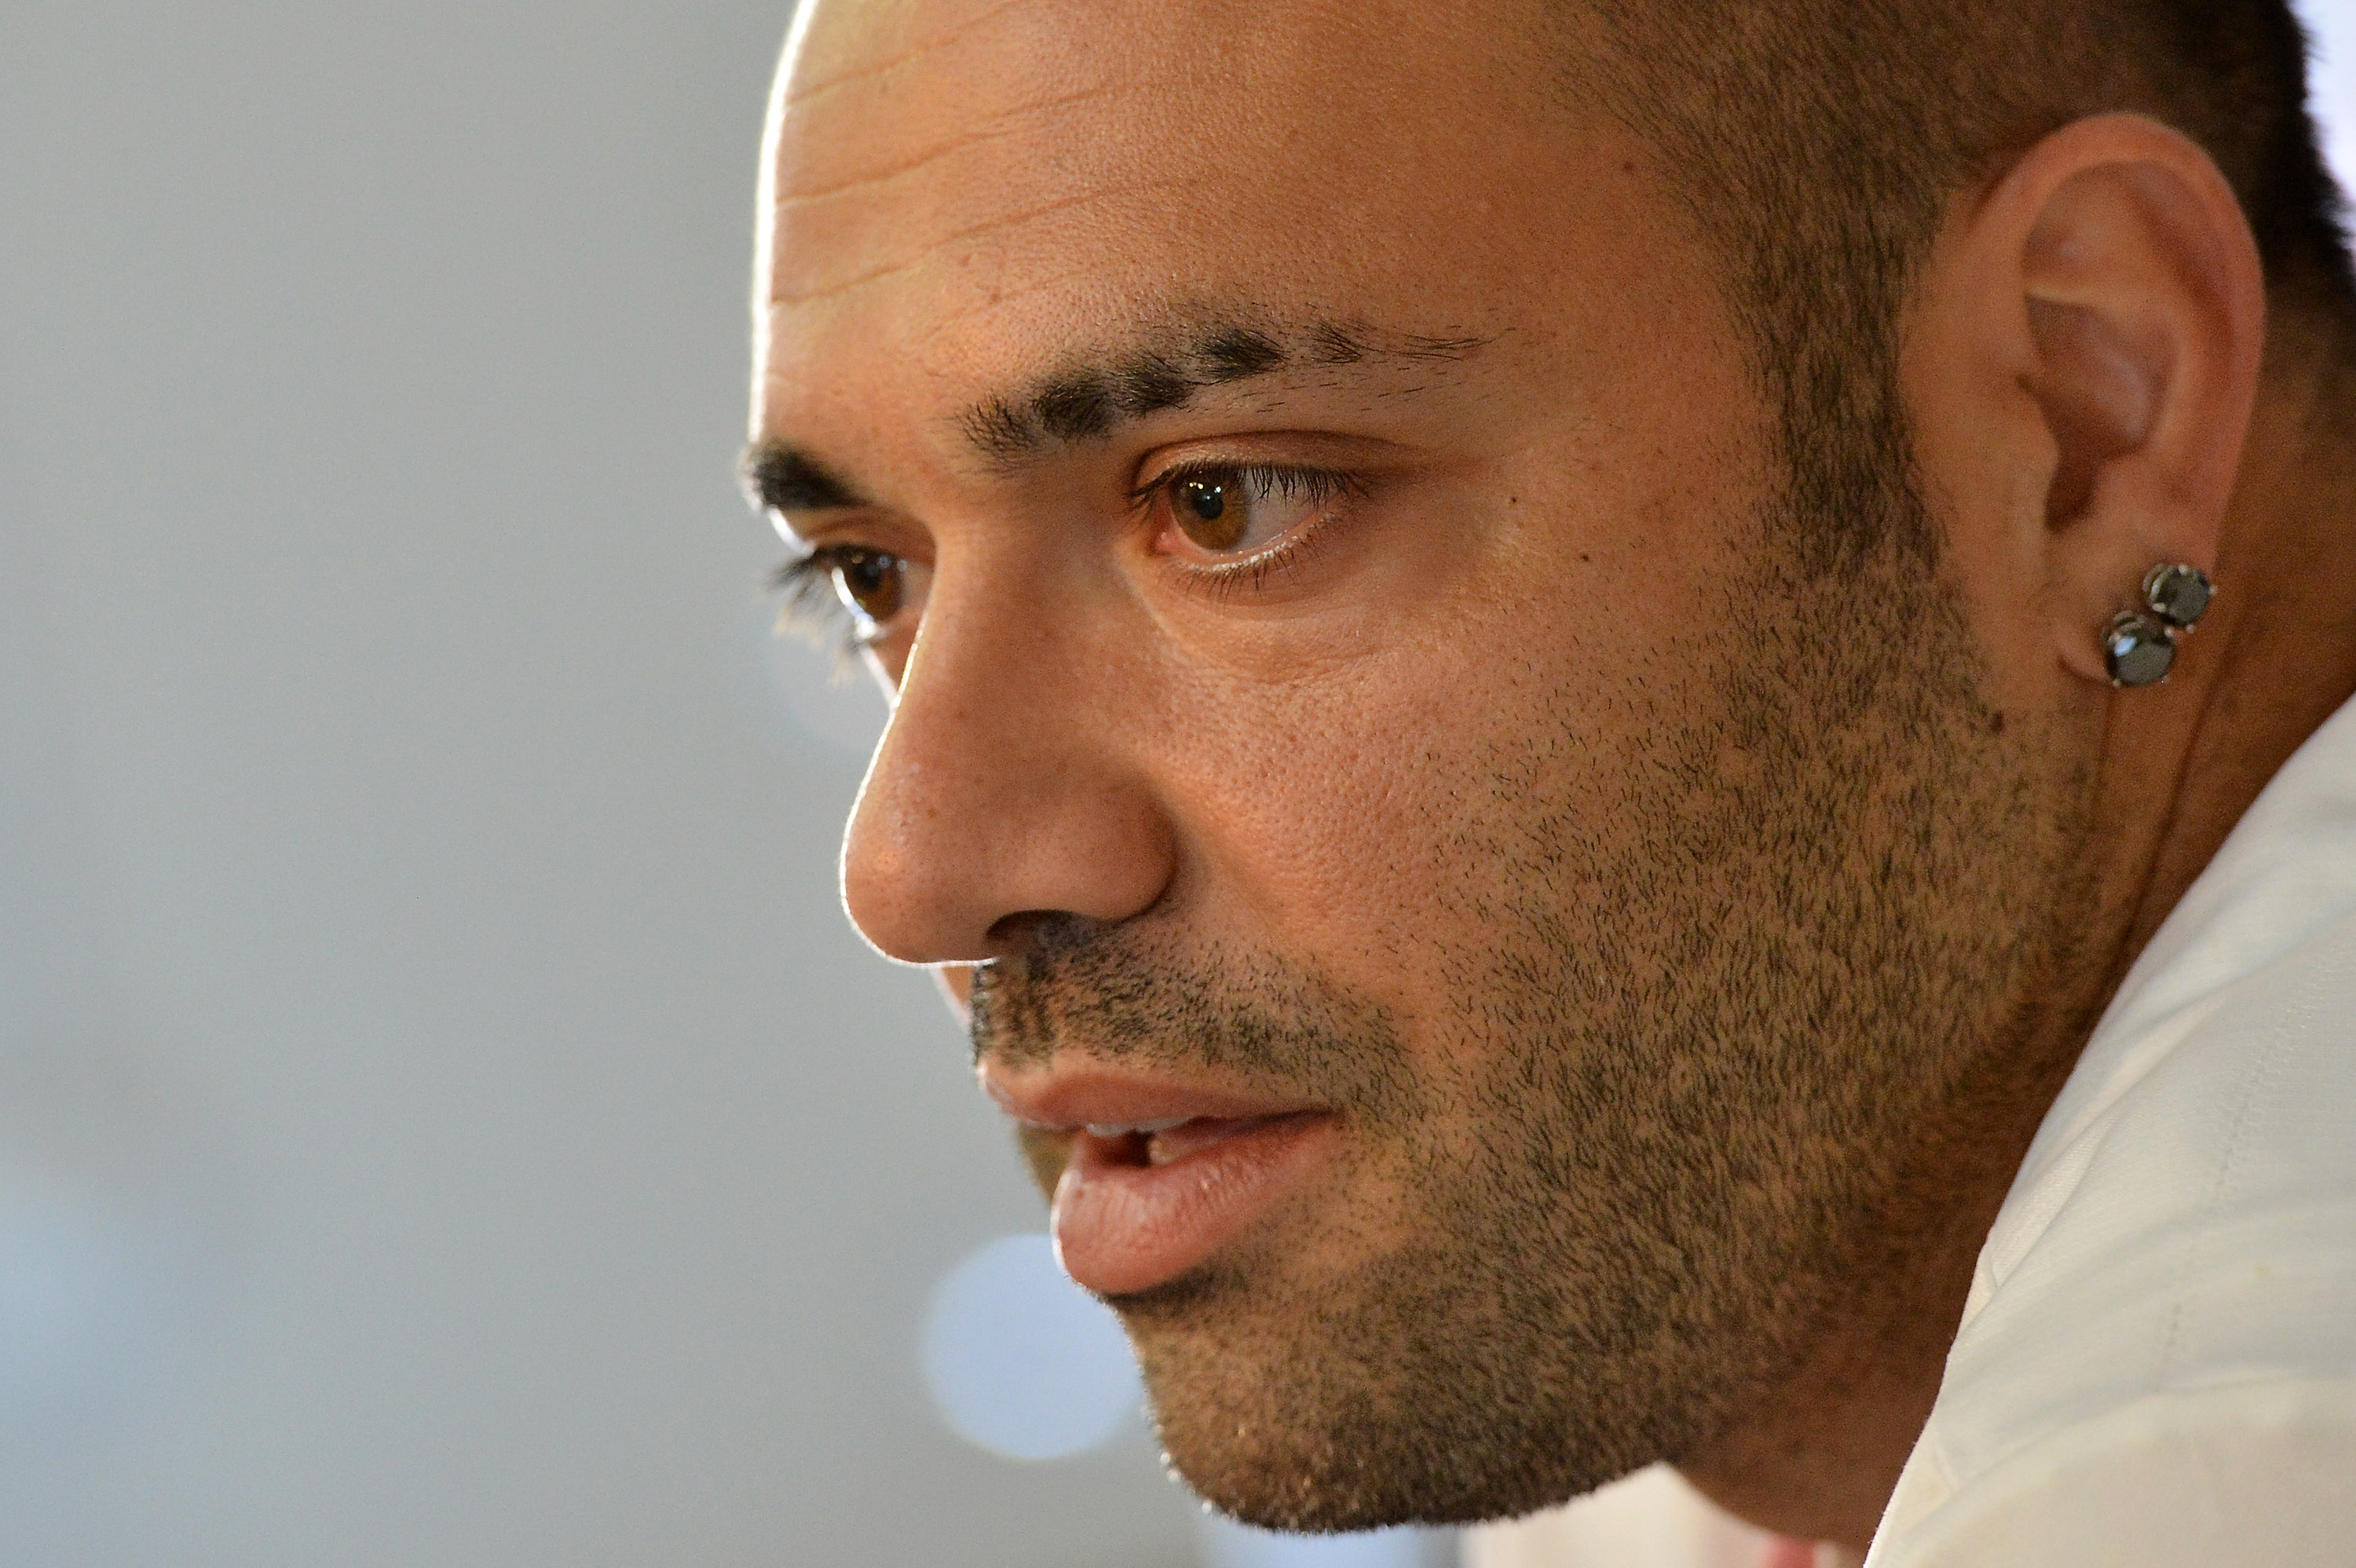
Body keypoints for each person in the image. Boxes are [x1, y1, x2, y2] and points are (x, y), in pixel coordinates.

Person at [741, 0, 2356, 1562]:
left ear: (2077, 425)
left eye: (1228, 502)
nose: (913, 873)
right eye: (869, 581)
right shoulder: (1726, 1319)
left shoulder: (2231, 1450)